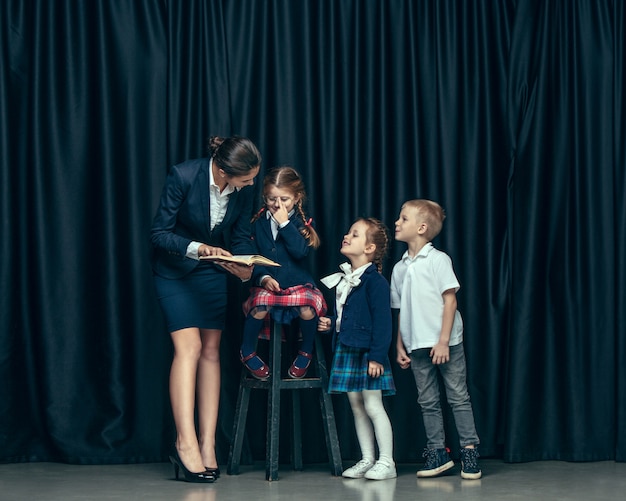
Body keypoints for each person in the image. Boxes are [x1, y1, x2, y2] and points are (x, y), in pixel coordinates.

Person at [150, 135, 261, 483]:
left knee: (212, 351)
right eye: (248, 177)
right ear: (226, 170)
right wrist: (199, 248)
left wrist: (246, 265)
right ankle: (184, 444)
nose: (252, 183)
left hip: (213, 274)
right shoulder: (183, 176)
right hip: (175, 272)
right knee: (191, 348)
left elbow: (241, 236)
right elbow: (159, 233)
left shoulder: (242, 191)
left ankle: (208, 444)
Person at [391, 199, 481, 480]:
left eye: (403, 219)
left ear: (421, 227)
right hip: (416, 344)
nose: (397, 222)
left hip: (446, 342)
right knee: (427, 400)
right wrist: (399, 344)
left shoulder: (438, 260)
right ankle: (438, 453)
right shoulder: (399, 267)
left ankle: (469, 450)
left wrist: (443, 341)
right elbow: (400, 309)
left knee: (458, 396)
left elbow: (450, 301)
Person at [318, 218, 397, 481]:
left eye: (355, 234)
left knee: (373, 405)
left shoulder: (375, 282)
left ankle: (387, 461)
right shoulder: (347, 280)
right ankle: (367, 458)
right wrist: (331, 323)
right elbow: (348, 316)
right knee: (356, 405)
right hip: (347, 347)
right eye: (348, 231)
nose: (346, 236)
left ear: (370, 248)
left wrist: (377, 356)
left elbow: (384, 323)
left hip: (368, 353)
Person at [240, 166, 326, 380]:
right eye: (271, 199)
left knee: (307, 307)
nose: (278, 205)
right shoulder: (257, 224)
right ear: (264, 197)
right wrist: (264, 277)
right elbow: (253, 258)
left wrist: (284, 223)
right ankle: (247, 350)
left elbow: (300, 252)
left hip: (298, 285)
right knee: (259, 305)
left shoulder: (301, 224)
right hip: (269, 286)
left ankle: (306, 351)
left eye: (285, 199)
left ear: (297, 198)